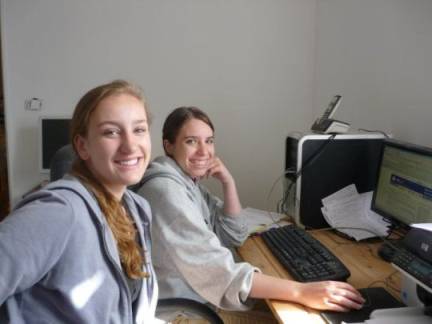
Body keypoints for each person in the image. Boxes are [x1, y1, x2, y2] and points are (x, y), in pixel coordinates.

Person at [138, 106, 365, 312]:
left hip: (202, 296)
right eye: (191, 141)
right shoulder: (167, 193)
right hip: (185, 313)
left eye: (208, 141)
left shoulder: (187, 182)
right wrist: (301, 291)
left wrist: (228, 182)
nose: (204, 151)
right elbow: (220, 273)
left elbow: (233, 233)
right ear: (169, 145)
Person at [0, 80, 160, 323]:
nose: (130, 146)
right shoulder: (59, 211)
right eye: (111, 132)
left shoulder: (138, 208)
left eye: (139, 129)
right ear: (83, 146)